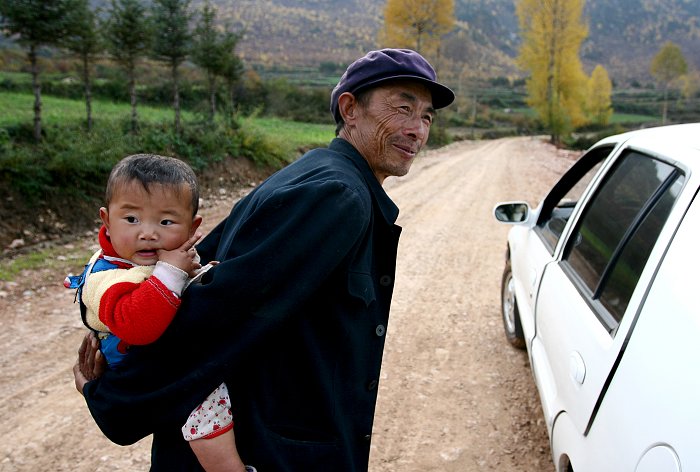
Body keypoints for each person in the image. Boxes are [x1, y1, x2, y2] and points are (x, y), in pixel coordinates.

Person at [74, 48, 455, 471]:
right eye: (403, 108)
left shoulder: (315, 173)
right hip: (270, 453)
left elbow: (200, 265)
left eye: (426, 117)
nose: (417, 130)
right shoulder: (337, 196)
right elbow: (223, 309)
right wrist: (113, 397)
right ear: (350, 108)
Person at [67, 154, 250, 472]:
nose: (147, 233)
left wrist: (199, 275)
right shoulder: (106, 276)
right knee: (207, 408)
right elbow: (140, 326)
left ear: (193, 227)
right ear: (106, 221)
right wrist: (172, 272)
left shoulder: (155, 260)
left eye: (166, 222)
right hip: (140, 372)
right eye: (131, 220)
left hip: (162, 359)